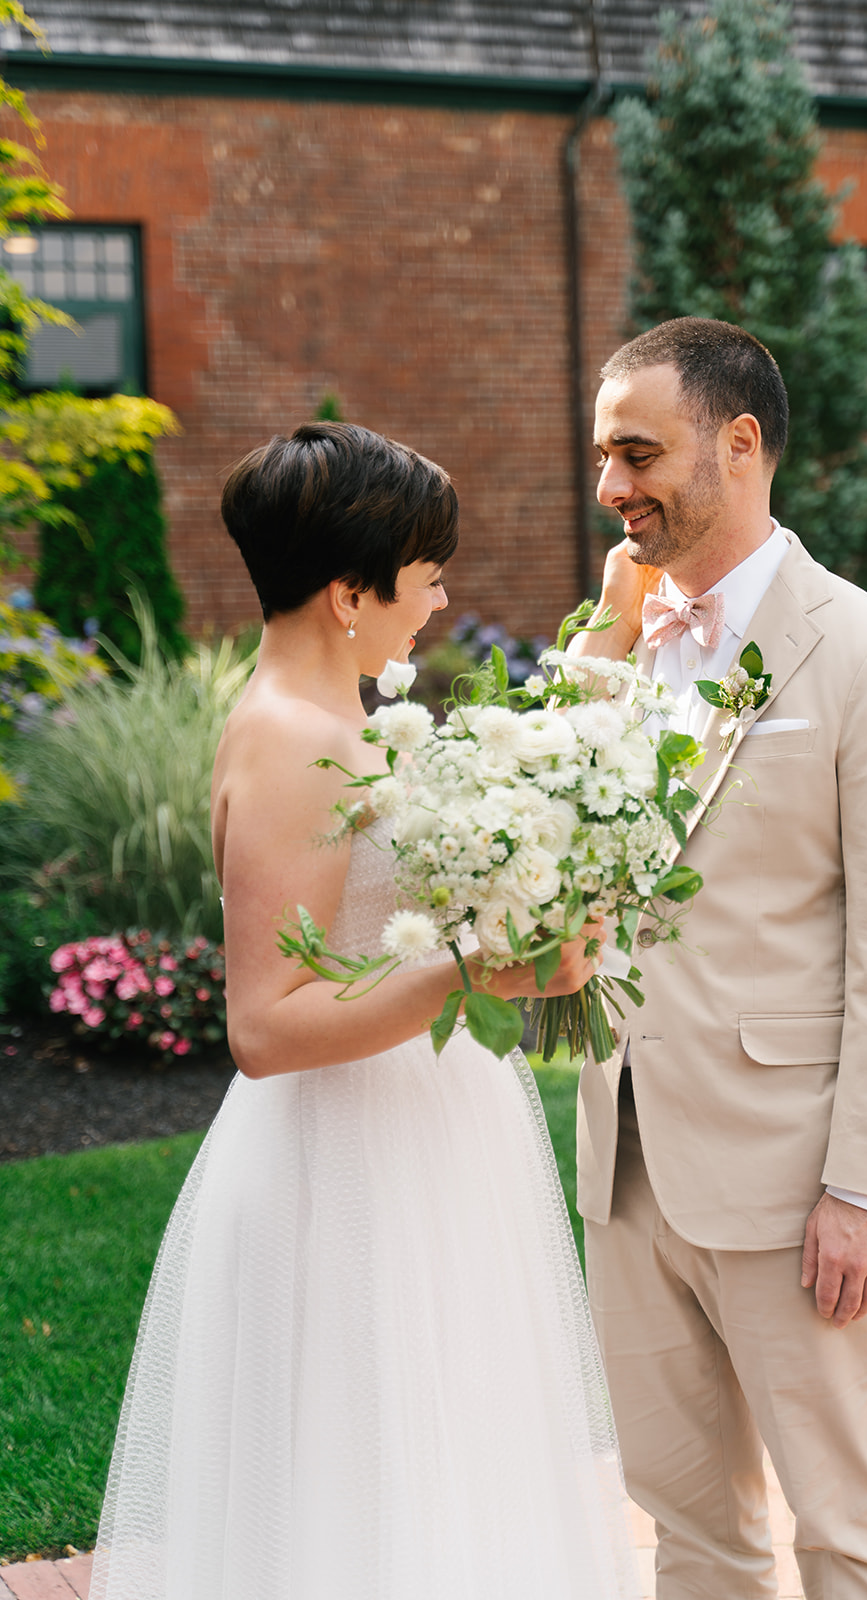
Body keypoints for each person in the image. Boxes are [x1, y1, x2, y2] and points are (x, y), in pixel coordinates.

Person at [88, 422, 638, 1600]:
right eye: (427, 574)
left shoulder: (343, 716)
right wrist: (468, 971)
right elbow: (265, 1027)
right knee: (363, 1492)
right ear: (349, 592)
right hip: (346, 1173)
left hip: (424, 1141)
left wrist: (602, 644)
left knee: (447, 1480)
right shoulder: (292, 742)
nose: (440, 601)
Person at [569, 318, 867, 1600]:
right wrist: (595, 670)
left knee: (846, 1526)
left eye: (638, 452)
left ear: (738, 444)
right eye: (601, 456)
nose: (610, 487)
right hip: (624, 1165)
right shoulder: (618, 654)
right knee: (690, 1532)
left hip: (797, 1187)